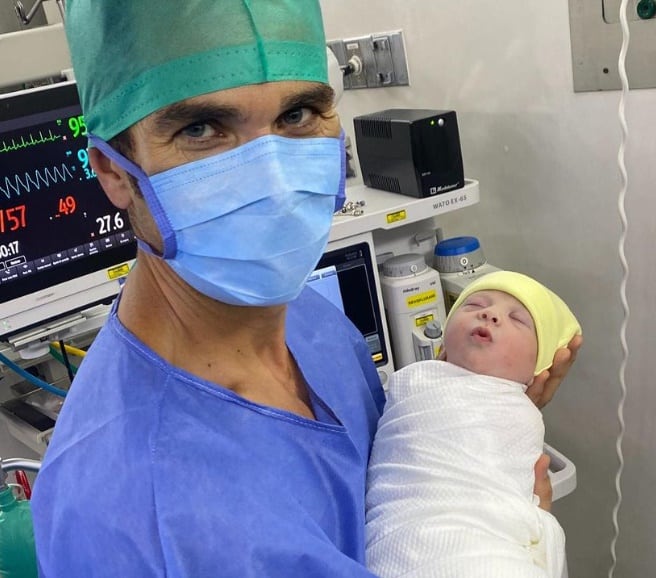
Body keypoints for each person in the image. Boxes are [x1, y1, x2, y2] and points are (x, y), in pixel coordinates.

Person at [30, 2, 581, 576]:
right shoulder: (131, 517)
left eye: (297, 114)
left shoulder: (302, 314)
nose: (272, 176)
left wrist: (476, 423)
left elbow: (385, 492)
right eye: (201, 130)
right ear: (113, 171)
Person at [365, 270, 582, 578]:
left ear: (537, 366)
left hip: (486, 546)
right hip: (399, 531)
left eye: (518, 319)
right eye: (474, 304)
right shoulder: (412, 383)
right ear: (443, 342)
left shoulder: (521, 412)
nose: (490, 314)